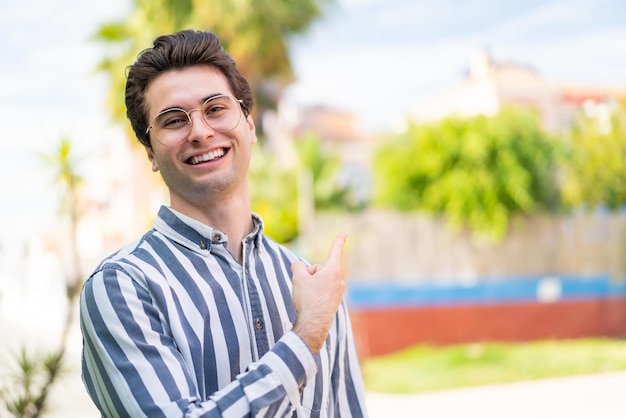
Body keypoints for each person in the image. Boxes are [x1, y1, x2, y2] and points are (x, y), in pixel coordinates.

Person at [79, 29, 368, 417]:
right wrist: (305, 339)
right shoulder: (123, 287)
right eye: (174, 120)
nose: (200, 131)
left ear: (248, 124)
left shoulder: (313, 284)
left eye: (216, 109)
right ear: (150, 152)